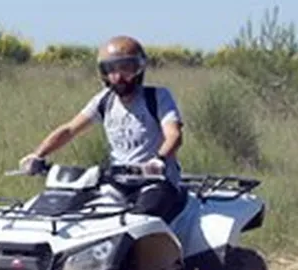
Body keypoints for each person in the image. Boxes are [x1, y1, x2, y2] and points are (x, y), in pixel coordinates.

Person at [18, 35, 186, 222]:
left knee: (140, 221)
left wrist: (159, 160)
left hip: (156, 181)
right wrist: (38, 155)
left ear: (139, 69)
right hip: (117, 182)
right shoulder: (104, 101)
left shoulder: (157, 97)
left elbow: (174, 135)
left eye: (126, 68)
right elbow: (70, 130)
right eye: (111, 70)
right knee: (89, 218)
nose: (118, 77)